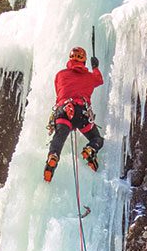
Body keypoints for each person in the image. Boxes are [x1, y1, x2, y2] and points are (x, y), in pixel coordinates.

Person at [44, 46, 104, 183]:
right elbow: (99, 80)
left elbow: (59, 93)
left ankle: (53, 157)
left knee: (58, 139)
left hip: (64, 111)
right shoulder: (90, 77)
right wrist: (95, 67)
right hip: (81, 114)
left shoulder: (60, 75)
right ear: (84, 61)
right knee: (97, 138)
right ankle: (90, 149)